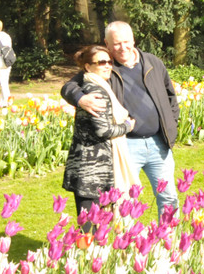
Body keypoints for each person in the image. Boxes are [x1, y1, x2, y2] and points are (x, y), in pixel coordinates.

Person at [61, 21, 180, 220]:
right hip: (125, 145)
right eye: (116, 44)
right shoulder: (105, 65)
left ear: (133, 40)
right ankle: (128, 246)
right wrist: (80, 98)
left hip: (158, 143)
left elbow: (170, 97)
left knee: (168, 197)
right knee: (125, 203)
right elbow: (68, 87)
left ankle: (168, 241)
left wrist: (171, 123)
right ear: (107, 44)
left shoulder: (152, 62)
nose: (123, 47)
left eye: (126, 42)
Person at [62, 45, 139, 231]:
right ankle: (86, 259)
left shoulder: (96, 85)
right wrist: (127, 126)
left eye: (109, 62)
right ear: (88, 67)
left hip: (89, 166)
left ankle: (90, 258)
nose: (107, 66)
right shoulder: (95, 91)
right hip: (92, 169)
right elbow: (103, 131)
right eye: (101, 62)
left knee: (94, 225)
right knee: (90, 226)